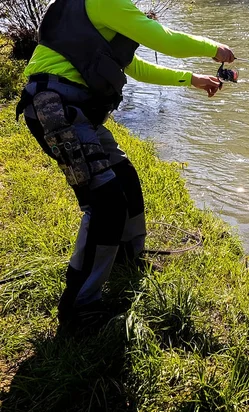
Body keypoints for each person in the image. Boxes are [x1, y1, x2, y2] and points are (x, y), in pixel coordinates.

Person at [16, 0, 235, 331]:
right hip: (56, 111)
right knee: (106, 203)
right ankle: (79, 308)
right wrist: (213, 48)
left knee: (126, 181)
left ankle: (127, 260)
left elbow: (135, 67)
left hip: (76, 113)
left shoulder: (95, 13)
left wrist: (192, 79)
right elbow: (165, 38)